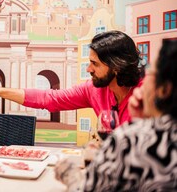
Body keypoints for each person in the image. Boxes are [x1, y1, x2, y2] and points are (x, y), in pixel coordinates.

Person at [55, 39, 177, 191]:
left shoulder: (131, 140)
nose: (143, 79)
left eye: (150, 72)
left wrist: (67, 171)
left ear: (164, 89)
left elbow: (86, 189)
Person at [0, 30, 143, 125]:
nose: (89, 69)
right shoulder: (93, 89)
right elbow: (49, 98)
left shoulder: (149, 94)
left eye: (95, 64)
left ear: (117, 67)